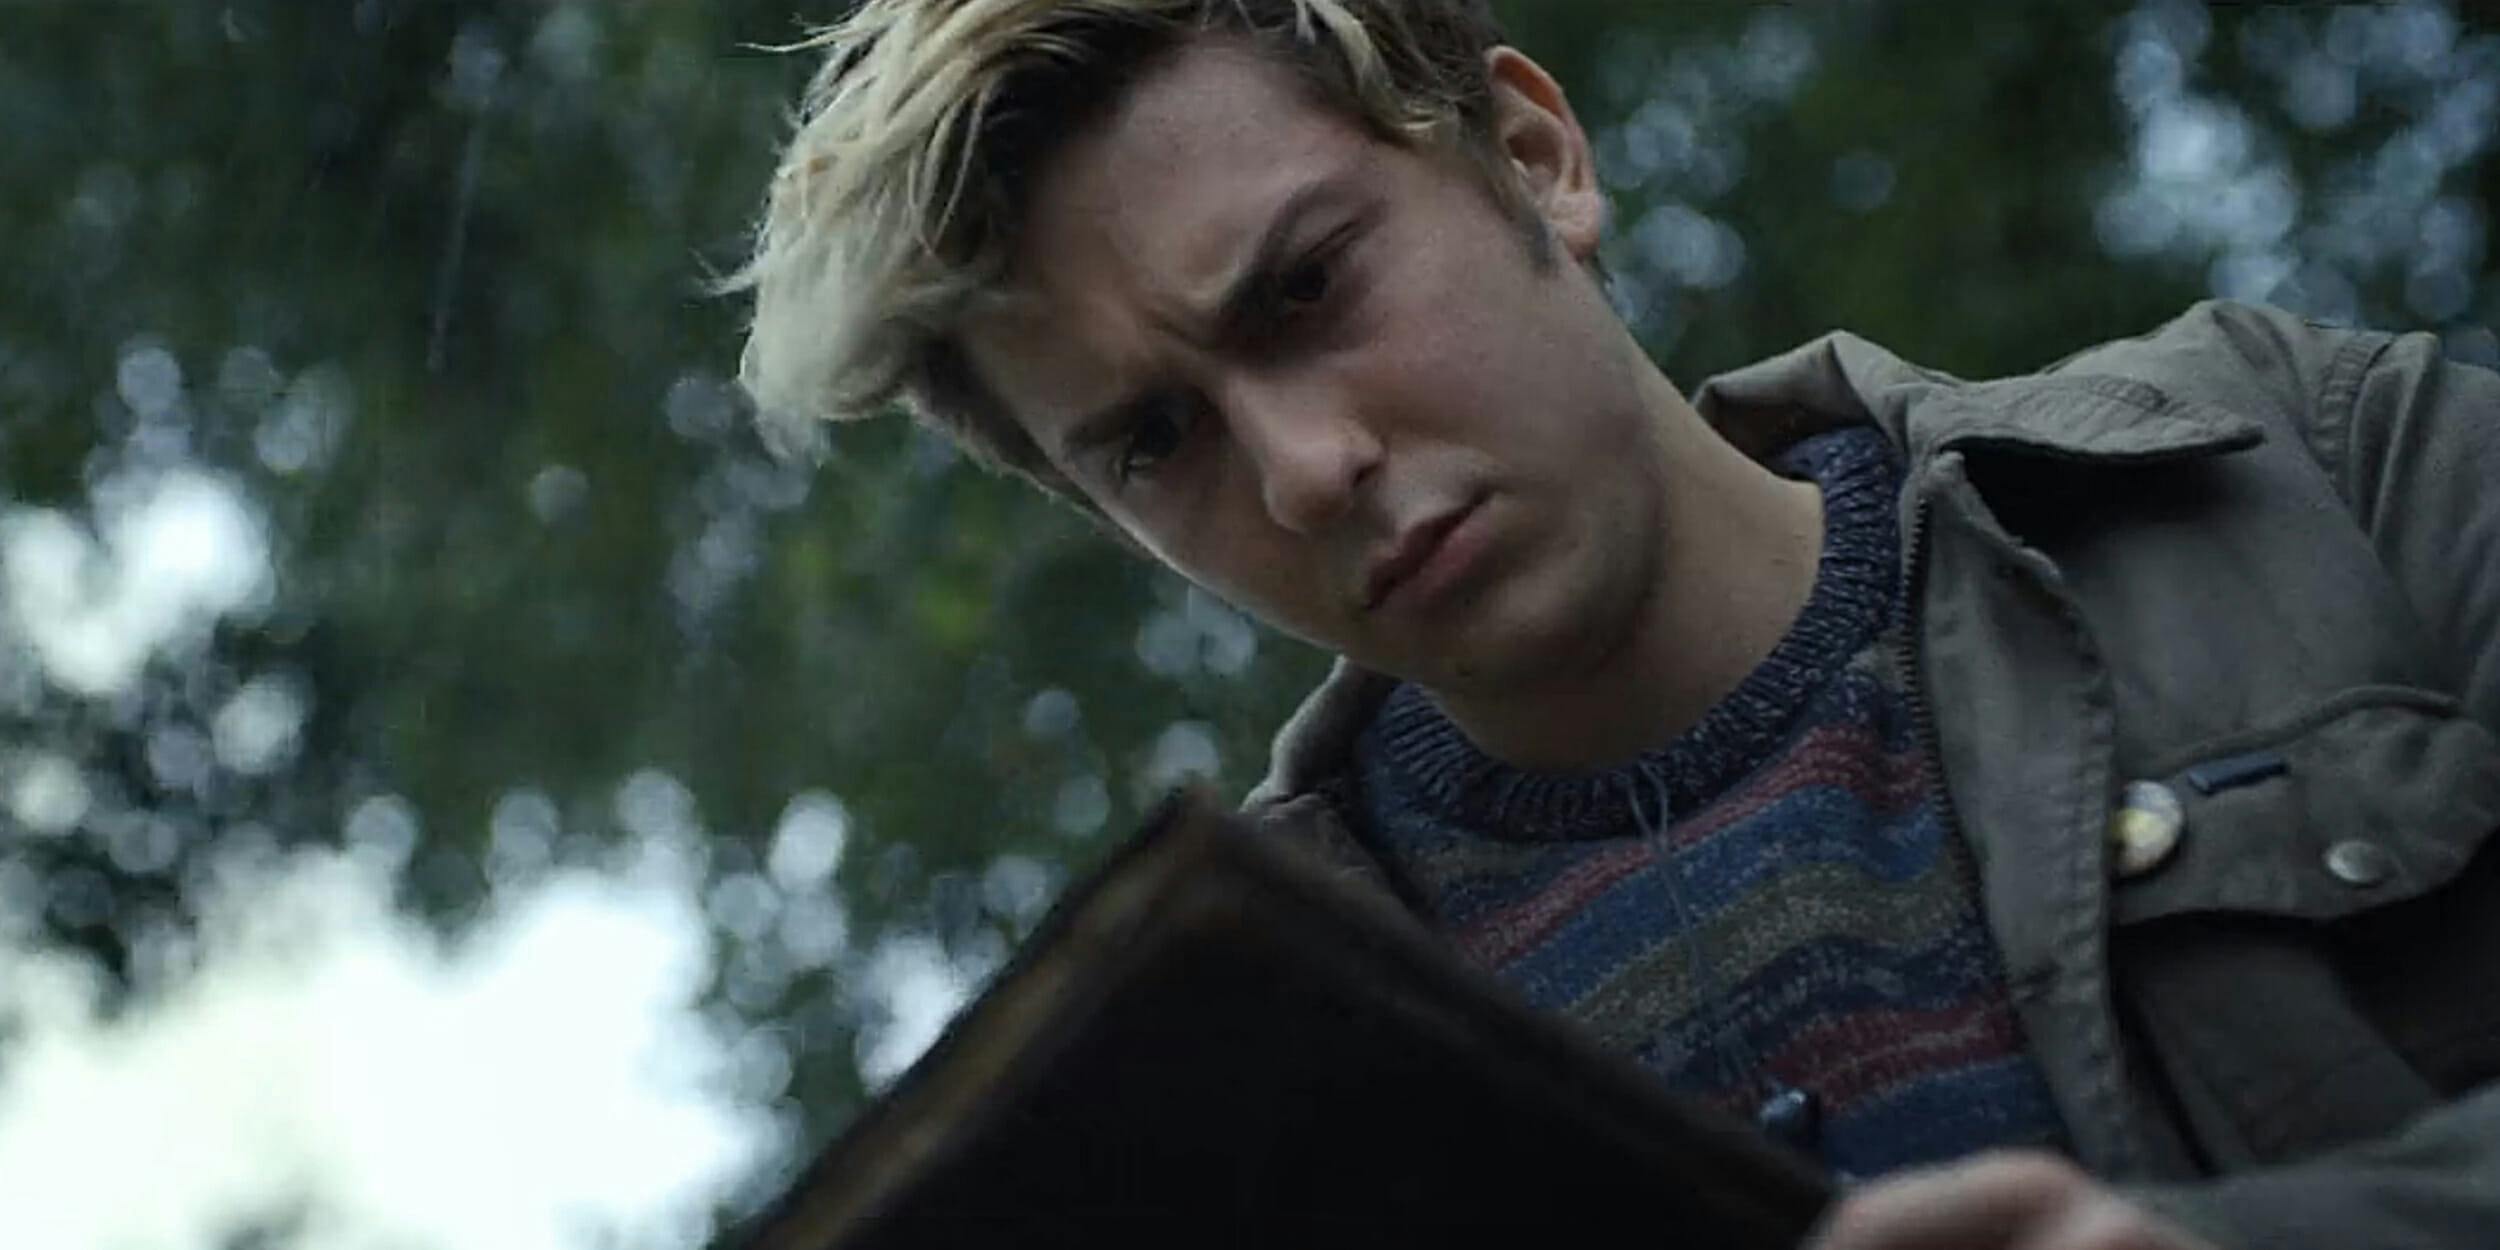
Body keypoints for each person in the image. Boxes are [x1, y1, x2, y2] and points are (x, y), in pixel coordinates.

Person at [726, 2, 2500, 1245]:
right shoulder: (1222, 1076)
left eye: (1306, 286)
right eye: (1153, 441)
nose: (1304, 469)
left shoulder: (2307, 455)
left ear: (1532, 154)